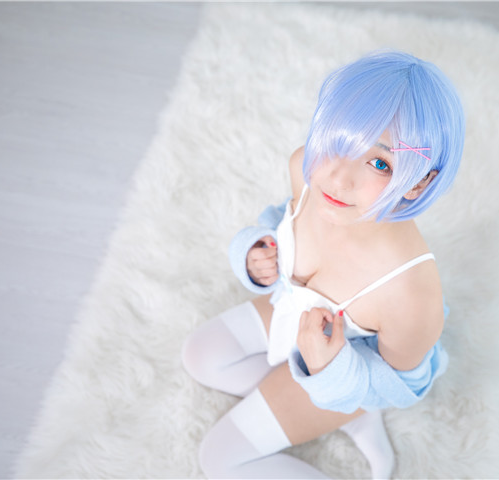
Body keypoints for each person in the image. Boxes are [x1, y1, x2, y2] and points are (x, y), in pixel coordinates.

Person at [182, 50, 465, 479]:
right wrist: (257, 254)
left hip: (341, 367)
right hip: (290, 312)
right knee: (200, 355)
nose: (338, 178)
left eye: (379, 163)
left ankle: (346, 413)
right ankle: (336, 419)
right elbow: (283, 222)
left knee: (219, 458)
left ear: (421, 181)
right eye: (337, 143)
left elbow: (402, 385)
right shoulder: (305, 169)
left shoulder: (409, 292)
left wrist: (331, 370)